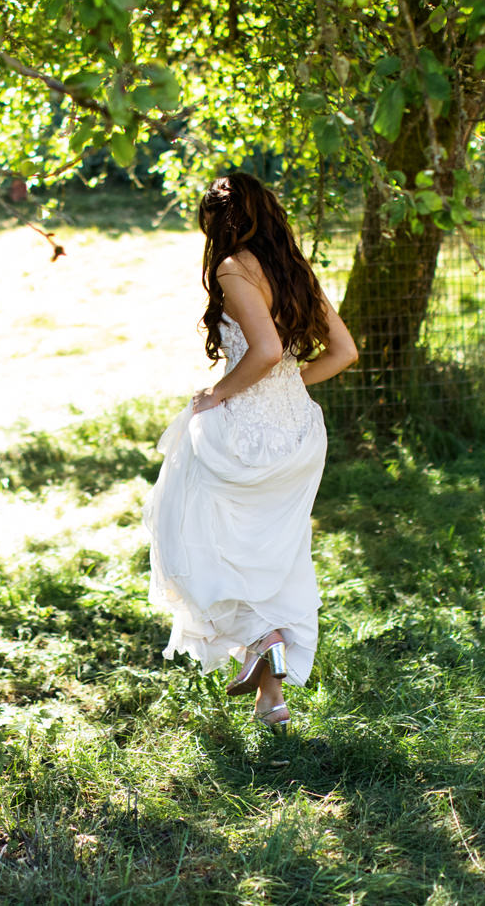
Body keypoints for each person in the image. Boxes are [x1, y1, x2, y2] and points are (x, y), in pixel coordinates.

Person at [144, 173, 358, 733]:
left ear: (221, 220)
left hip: (248, 436)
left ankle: (261, 639)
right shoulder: (292, 267)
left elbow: (264, 351)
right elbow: (344, 352)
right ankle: (272, 700)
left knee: (198, 534)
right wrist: (289, 385)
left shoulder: (233, 268)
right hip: (299, 434)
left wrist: (218, 393)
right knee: (274, 558)